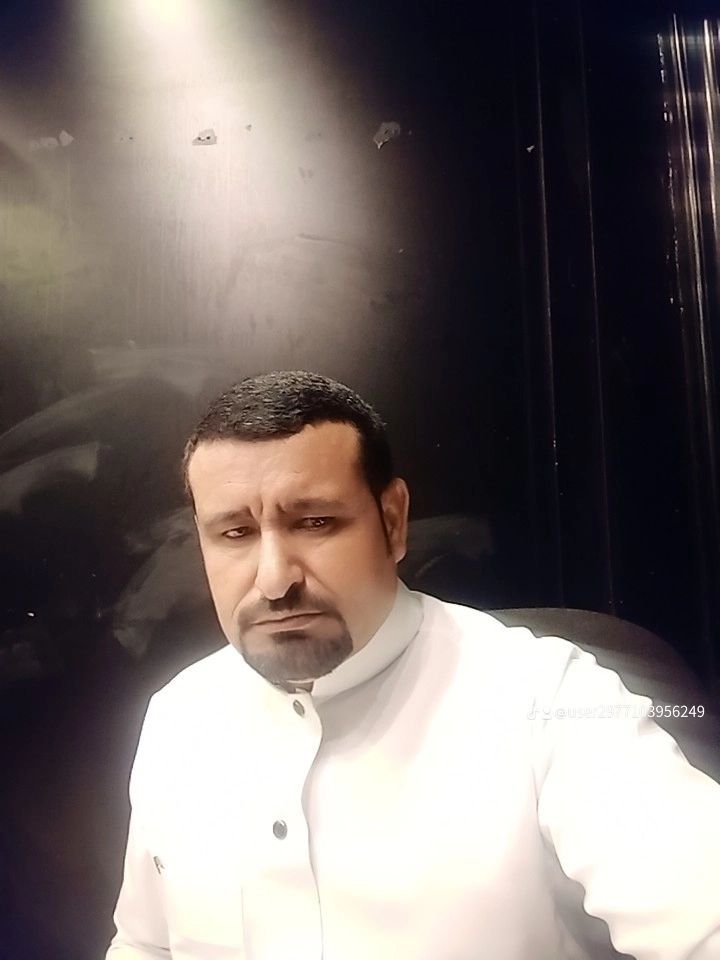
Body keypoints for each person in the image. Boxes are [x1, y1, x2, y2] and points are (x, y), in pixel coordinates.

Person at [106, 370, 720, 960]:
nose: (273, 580)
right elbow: (145, 945)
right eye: (235, 533)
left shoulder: (547, 698)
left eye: (315, 522)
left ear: (393, 521)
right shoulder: (179, 716)